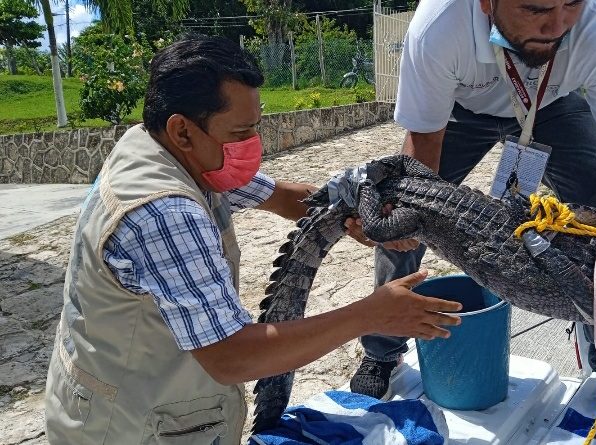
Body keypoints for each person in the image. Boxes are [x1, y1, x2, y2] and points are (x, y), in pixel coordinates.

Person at [44, 35, 463, 444]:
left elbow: (285, 197)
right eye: (240, 132)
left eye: (255, 129)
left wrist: (360, 216)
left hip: (127, 392)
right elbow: (231, 357)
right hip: (129, 425)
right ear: (183, 130)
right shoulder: (163, 210)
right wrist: (370, 315)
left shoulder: (168, 149)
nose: (251, 146)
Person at [349, 0, 596, 400]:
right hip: (460, 110)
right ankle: (382, 350)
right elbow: (424, 143)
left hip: (552, 106)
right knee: (406, 210)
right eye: (536, 9)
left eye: (572, 4)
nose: (557, 24)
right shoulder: (440, 24)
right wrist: (408, 208)